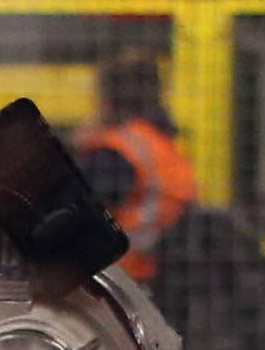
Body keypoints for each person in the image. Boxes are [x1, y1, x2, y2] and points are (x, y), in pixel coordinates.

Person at [72, 52, 193, 284]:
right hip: (161, 277)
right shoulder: (162, 145)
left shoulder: (115, 152)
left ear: (107, 98)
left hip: (118, 276)